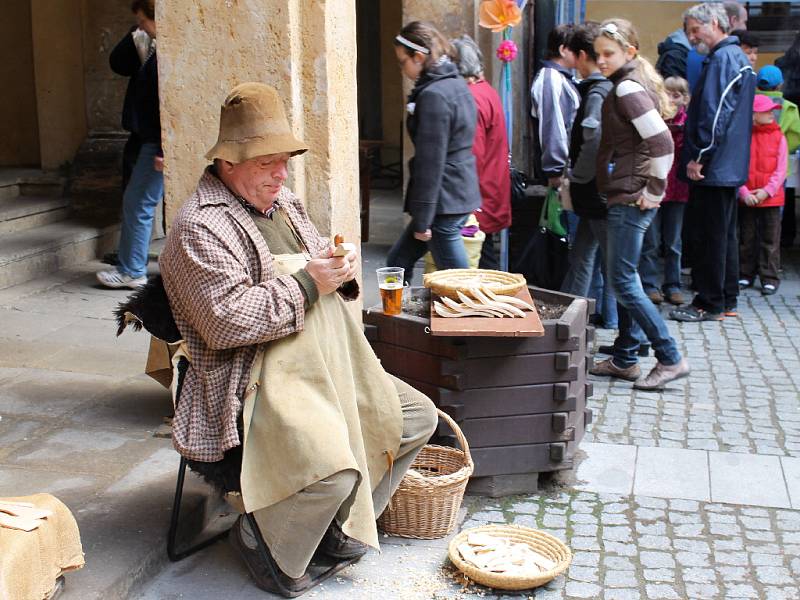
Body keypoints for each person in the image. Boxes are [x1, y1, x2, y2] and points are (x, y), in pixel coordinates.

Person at [159, 82, 438, 596]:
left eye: (284, 160)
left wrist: (343, 266)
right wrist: (310, 282)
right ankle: (264, 543)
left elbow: (323, 268)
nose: (281, 174)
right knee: (334, 469)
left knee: (416, 419)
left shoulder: (282, 203)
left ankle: (338, 525)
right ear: (228, 162)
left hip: (324, 364)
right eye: (267, 162)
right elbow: (225, 322)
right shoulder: (199, 228)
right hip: (247, 379)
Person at [589, 18, 689, 391]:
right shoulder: (629, 82)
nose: (601, 60)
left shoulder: (627, 88)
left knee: (623, 282)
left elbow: (662, 142)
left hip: (631, 197)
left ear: (629, 52)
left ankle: (669, 357)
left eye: (608, 54)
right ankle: (626, 357)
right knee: (625, 278)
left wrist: (654, 189)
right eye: (598, 54)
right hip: (629, 193)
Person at [670, 2, 756, 322]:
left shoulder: (722, 59)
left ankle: (709, 302)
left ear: (717, 23)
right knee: (725, 235)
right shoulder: (736, 58)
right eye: (689, 32)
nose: (693, 37)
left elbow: (714, 114)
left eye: (696, 29)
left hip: (714, 165)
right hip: (728, 164)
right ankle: (726, 297)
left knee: (711, 236)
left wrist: (700, 156)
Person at [386, 22, 481, 283]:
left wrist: (423, 219)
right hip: (454, 193)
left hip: (443, 201)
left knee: (460, 284)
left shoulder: (434, 95)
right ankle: (396, 320)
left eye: (402, 61)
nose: (402, 68)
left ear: (419, 57)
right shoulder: (455, 84)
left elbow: (431, 161)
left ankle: (474, 321)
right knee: (397, 264)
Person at [96, 0, 163, 289]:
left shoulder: (165, 56)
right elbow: (118, 62)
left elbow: (169, 107)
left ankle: (132, 271)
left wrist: (163, 148)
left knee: (138, 204)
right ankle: (130, 267)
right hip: (146, 138)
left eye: (143, 21)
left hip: (155, 142)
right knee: (137, 201)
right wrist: (137, 33)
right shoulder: (149, 45)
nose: (140, 27)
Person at [560, 23, 613, 298]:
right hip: (595, 193)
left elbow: (593, 138)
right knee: (582, 257)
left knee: (615, 267)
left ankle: (634, 335)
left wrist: (577, 175)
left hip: (596, 191)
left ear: (582, 55)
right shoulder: (599, 88)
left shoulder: (596, 91)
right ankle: (573, 318)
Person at [451, 35, 511, 270]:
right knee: (483, 258)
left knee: (479, 261)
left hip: (478, 194)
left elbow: (471, 154)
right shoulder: (485, 90)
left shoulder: (472, 98)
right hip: (489, 188)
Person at [640, 76, 691, 307]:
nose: (671, 99)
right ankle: (649, 284)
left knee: (673, 242)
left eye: (676, 95)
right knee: (651, 241)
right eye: (667, 93)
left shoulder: (688, 124)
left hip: (678, 190)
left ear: (684, 98)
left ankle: (673, 284)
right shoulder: (653, 121)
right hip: (654, 188)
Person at [738, 95, 788, 295]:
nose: (771, 113)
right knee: (747, 238)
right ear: (754, 115)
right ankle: (745, 273)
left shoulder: (779, 136)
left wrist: (766, 191)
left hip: (771, 198)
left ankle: (769, 276)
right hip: (748, 195)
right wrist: (743, 192)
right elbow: (738, 167)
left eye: (771, 110)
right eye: (766, 110)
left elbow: (781, 169)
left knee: (770, 239)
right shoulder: (744, 136)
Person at [530, 24, 579, 188]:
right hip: (562, 172)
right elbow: (553, 125)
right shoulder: (551, 79)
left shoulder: (561, 78)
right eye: (576, 50)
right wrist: (555, 170)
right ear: (563, 50)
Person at [758, 64, 800, 248]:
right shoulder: (790, 108)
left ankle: (749, 259)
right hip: (778, 168)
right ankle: (772, 256)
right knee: (775, 214)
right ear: (781, 85)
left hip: (752, 165)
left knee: (749, 215)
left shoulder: (750, 103)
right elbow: (796, 136)